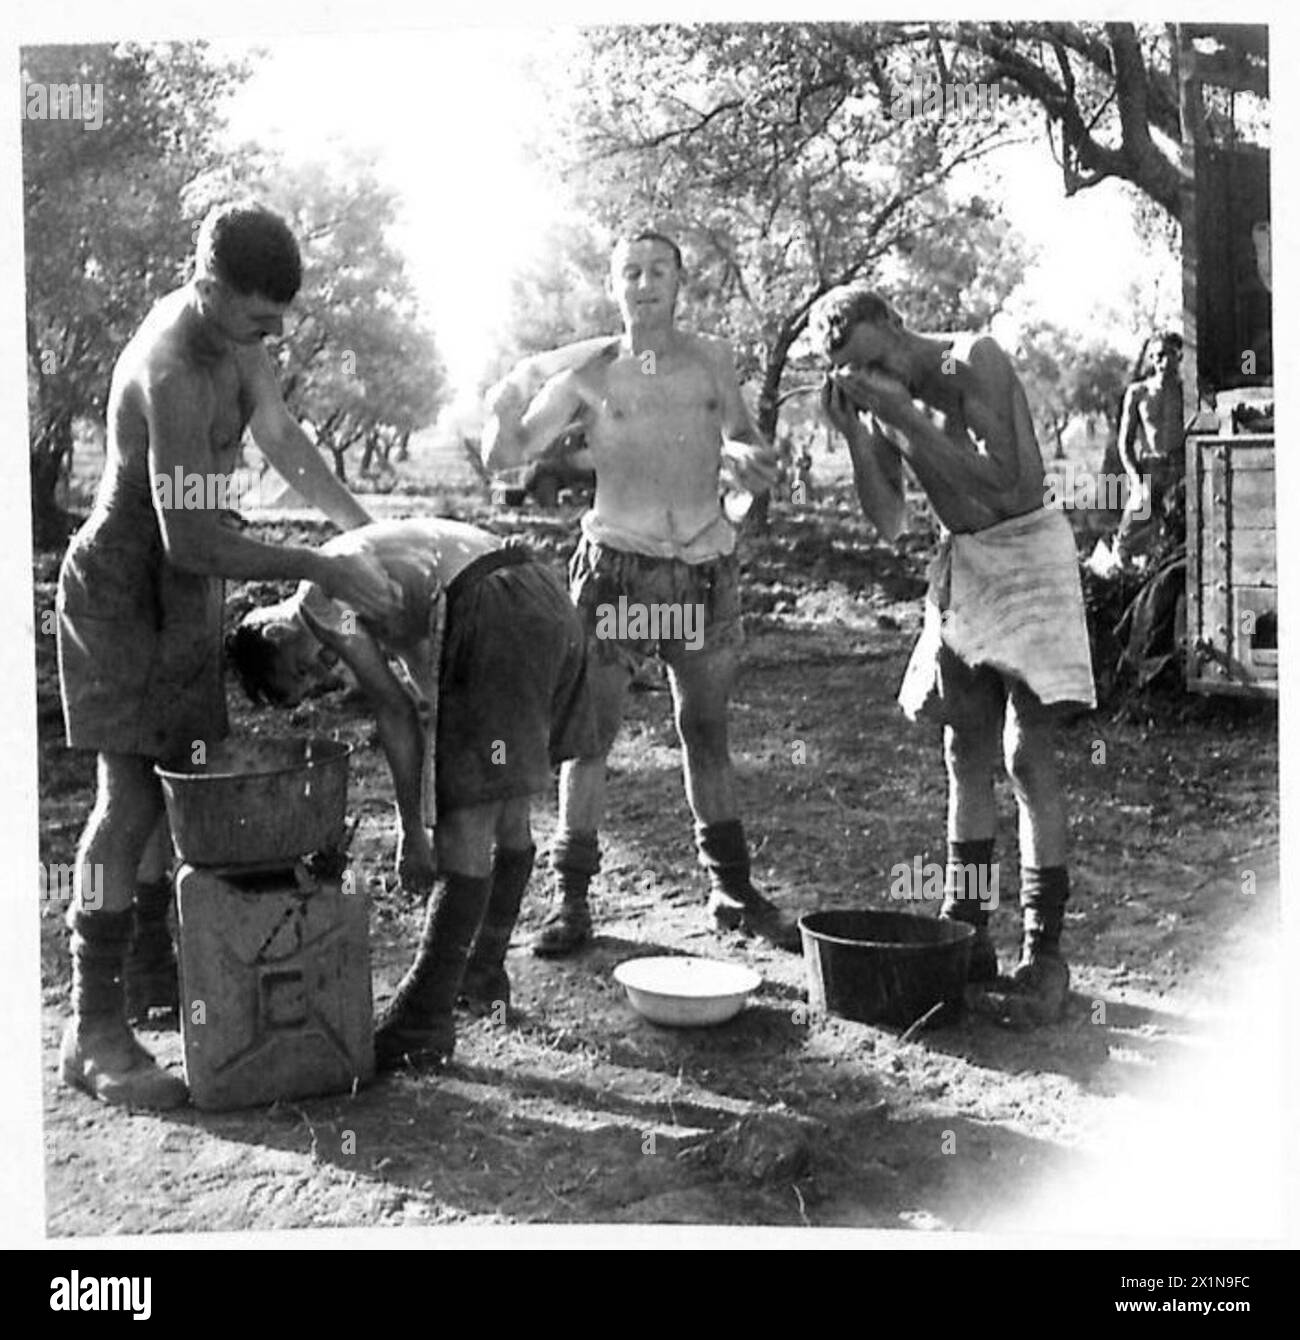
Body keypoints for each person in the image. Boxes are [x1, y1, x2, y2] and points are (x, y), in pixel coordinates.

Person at [55, 201, 404, 1108]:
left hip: (188, 597)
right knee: (126, 798)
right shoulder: (168, 368)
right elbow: (190, 540)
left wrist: (371, 536)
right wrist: (312, 561)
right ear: (209, 288)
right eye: (259, 318)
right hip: (128, 588)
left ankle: (162, 984)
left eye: (280, 319)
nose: (273, 334)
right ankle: (93, 1031)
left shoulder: (239, 341)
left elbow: (285, 441)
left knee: (187, 784)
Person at [481, 229, 799, 955]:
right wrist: (503, 402)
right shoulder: (590, 373)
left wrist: (750, 461)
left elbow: (745, 438)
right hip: (620, 567)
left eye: (659, 270)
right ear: (613, 287)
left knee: (707, 731)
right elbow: (508, 456)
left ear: (681, 283)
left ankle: (730, 887)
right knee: (589, 737)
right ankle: (571, 899)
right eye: (631, 272)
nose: (645, 283)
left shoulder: (713, 359)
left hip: (702, 566)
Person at [809, 286, 1096, 1023]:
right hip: (965, 561)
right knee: (962, 750)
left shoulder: (976, 358)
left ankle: (1045, 952)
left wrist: (900, 414)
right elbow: (890, 520)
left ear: (896, 325)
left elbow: (1011, 486)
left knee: (1027, 756)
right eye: (856, 372)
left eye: (879, 360)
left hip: (1028, 553)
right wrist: (857, 432)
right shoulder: (882, 401)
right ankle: (967, 931)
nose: (882, 379)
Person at [227, 517, 597, 1069]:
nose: (318, 675)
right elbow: (432, 694)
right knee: (505, 808)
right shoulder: (366, 582)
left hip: (492, 605)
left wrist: (411, 831)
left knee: (464, 823)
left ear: (276, 635)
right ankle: (482, 971)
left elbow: (396, 711)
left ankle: (423, 1016)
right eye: (307, 686)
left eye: (301, 670)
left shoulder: (322, 601)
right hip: (541, 595)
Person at [1112, 331, 1185, 565]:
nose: (1159, 362)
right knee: (1126, 540)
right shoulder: (1138, 393)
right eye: (1154, 356)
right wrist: (1136, 480)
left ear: (1179, 355)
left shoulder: (1188, 394)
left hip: (1180, 470)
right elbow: (1125, 443)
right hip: (1149, 469)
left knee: (1176, 535)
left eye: (1165, 355)